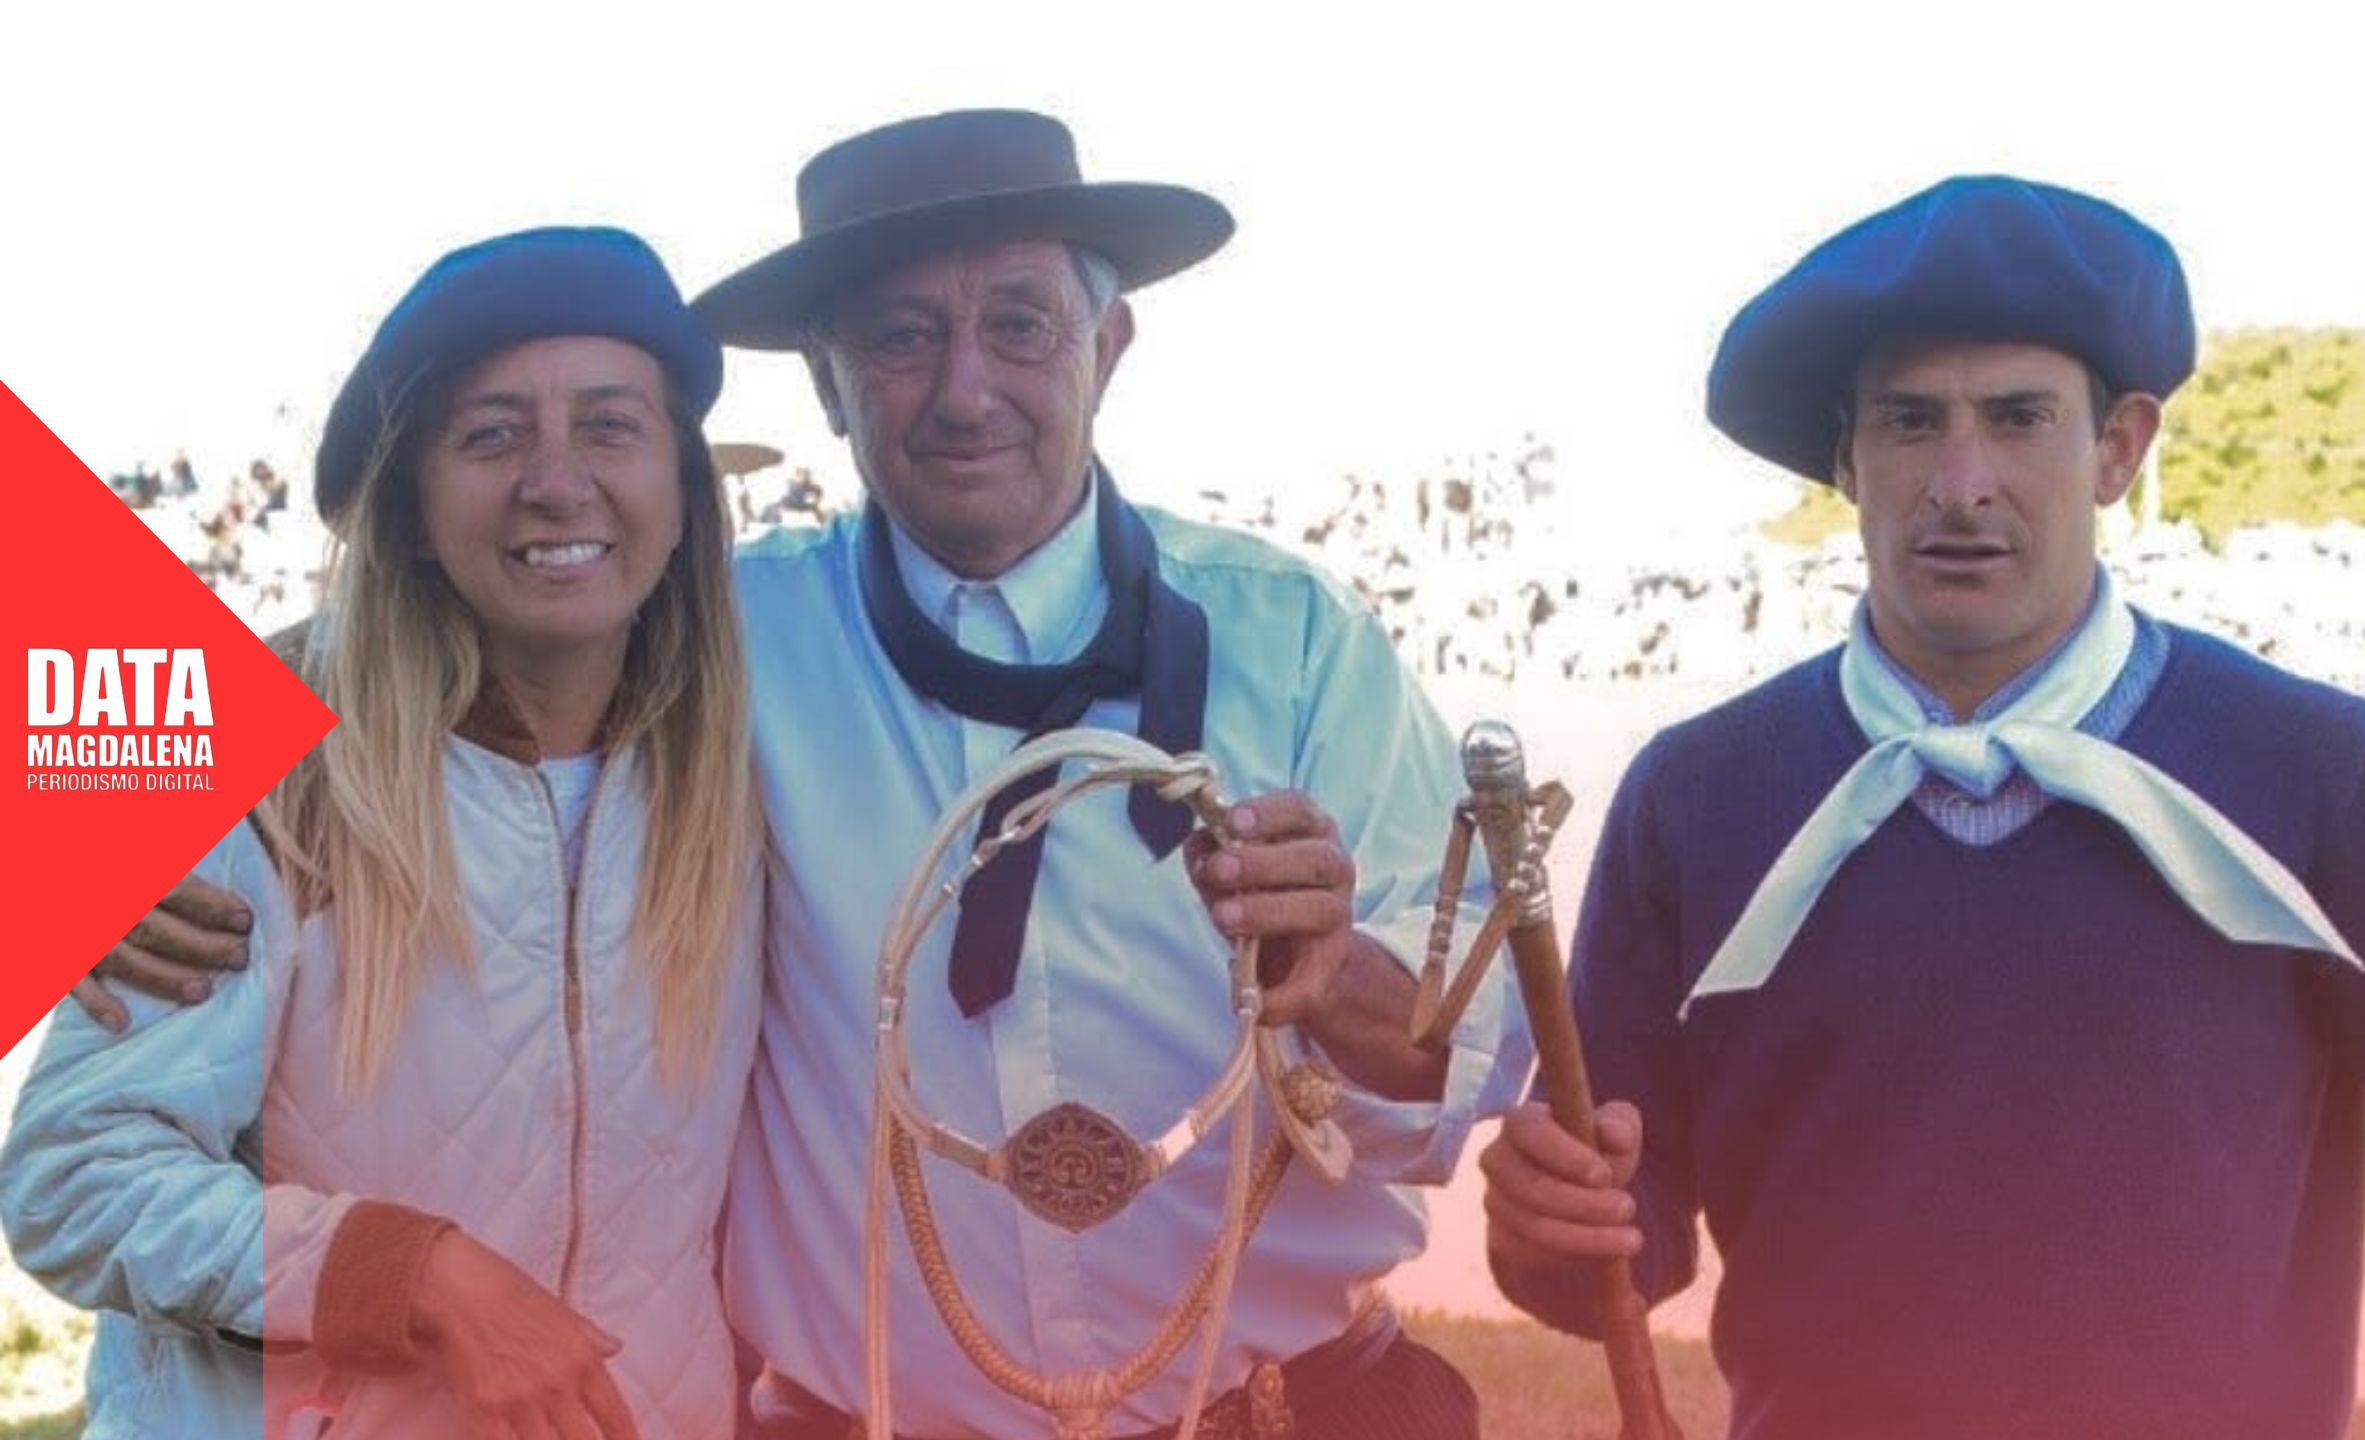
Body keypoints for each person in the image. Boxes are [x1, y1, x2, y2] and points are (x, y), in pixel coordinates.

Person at [90, 110, 1532, 1440]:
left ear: (1112, 340)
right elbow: (434, 607)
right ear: (831, 385)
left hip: (1289, 1408)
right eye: (899, 338)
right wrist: (112, 823)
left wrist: (1334, 970)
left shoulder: (1296, 643)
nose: (965, 389)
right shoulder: (724, 634)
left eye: (1020, 324)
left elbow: (1457, 1071)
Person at [1480, 176, 2365, 1438]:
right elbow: (1620, 1233)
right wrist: (1549, 1220)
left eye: (2018, 417)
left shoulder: (2320, 771)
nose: (1960, 480)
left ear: (2118, 446)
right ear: (1845, 453)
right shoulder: (1699, 794)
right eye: (1908, 421)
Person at [4, 227, 765, 1439]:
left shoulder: (747, 779)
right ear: (409, 508)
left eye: (612, 425)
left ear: (682, 491)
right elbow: (74, 1174)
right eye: (492, 432)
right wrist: (407, 1272)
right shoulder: (276, 786)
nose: (557, 480)